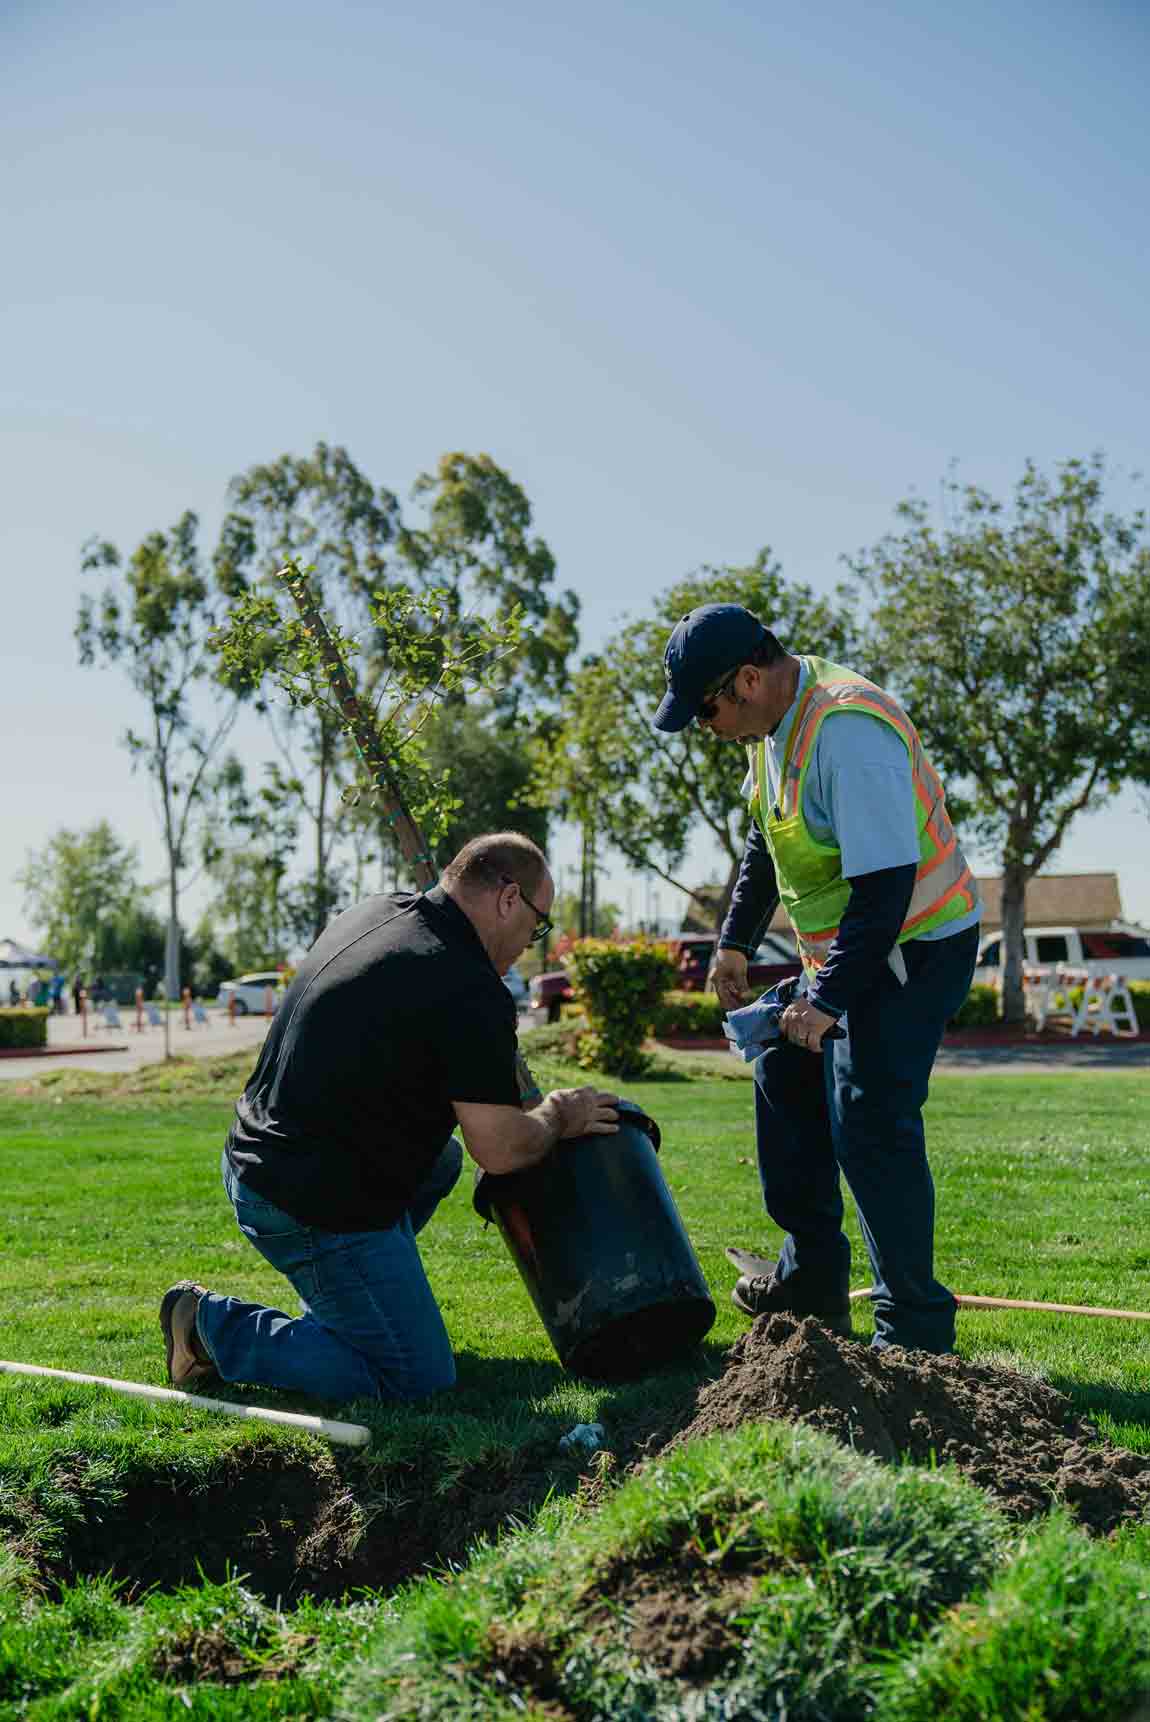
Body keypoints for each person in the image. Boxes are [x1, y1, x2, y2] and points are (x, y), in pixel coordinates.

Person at [160, 832, 619, 1401]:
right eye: (538, 922)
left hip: (257, 1160)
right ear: (508, 899)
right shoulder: (465, 983)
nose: (533, 941)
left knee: (440, 1161)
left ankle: (349, 1304)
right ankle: (207, 1326)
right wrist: (560, 1114)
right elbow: (502, 1149)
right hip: (303, 1200)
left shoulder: (378, 912)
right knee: (414, 1378)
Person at [654, 604, 980, 1353]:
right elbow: (765, 843)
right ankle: (812, 1285)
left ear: (748, 678)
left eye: (707, 709)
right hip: (855, 946)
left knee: (868, 1118)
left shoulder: (847, 732)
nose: (706, 725)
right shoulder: (770, 731)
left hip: (917, 944)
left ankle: (913, 1330)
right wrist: (732, 941)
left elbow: (887, 887)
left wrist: (828, 999)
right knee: (783, 1078)